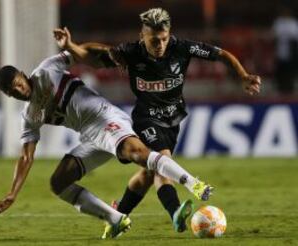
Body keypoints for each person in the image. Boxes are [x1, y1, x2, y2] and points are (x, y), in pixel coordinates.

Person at [53, 7, 261, 234]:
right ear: (143, 36)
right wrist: (71, 47)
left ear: (169, 34)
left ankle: (118, 214)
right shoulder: (130, 52)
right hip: (146, 118)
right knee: (162, 160)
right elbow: (94, 58)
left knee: (147, 173)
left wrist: (242, 75)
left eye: (163, 39)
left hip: (174, 117)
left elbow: (222, 54)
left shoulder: (182, 47)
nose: (159, 44)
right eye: (154, 40)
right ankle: (175, 213)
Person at [0, 48, 213, 239]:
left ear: (22, 74)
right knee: (58, 182)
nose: (19, 91)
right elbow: (26, 156)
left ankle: (193, 183)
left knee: (138, 153)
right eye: (13, 92)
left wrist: (95, 49)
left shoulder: (46, 70)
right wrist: (12, 193)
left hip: (106, 119)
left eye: (18, 84)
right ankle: (115, 218)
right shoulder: (29, 116)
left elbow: (82, 52)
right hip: (90, 136)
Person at [272, 5, 298, 94]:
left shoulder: (293, 23)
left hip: (292, 51)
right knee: (280, 70)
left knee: (290, 71)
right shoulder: (278, 22)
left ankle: (290, 88)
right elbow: (274, 35)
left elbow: (295, 37)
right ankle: (280, 88)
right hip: (280, 50)